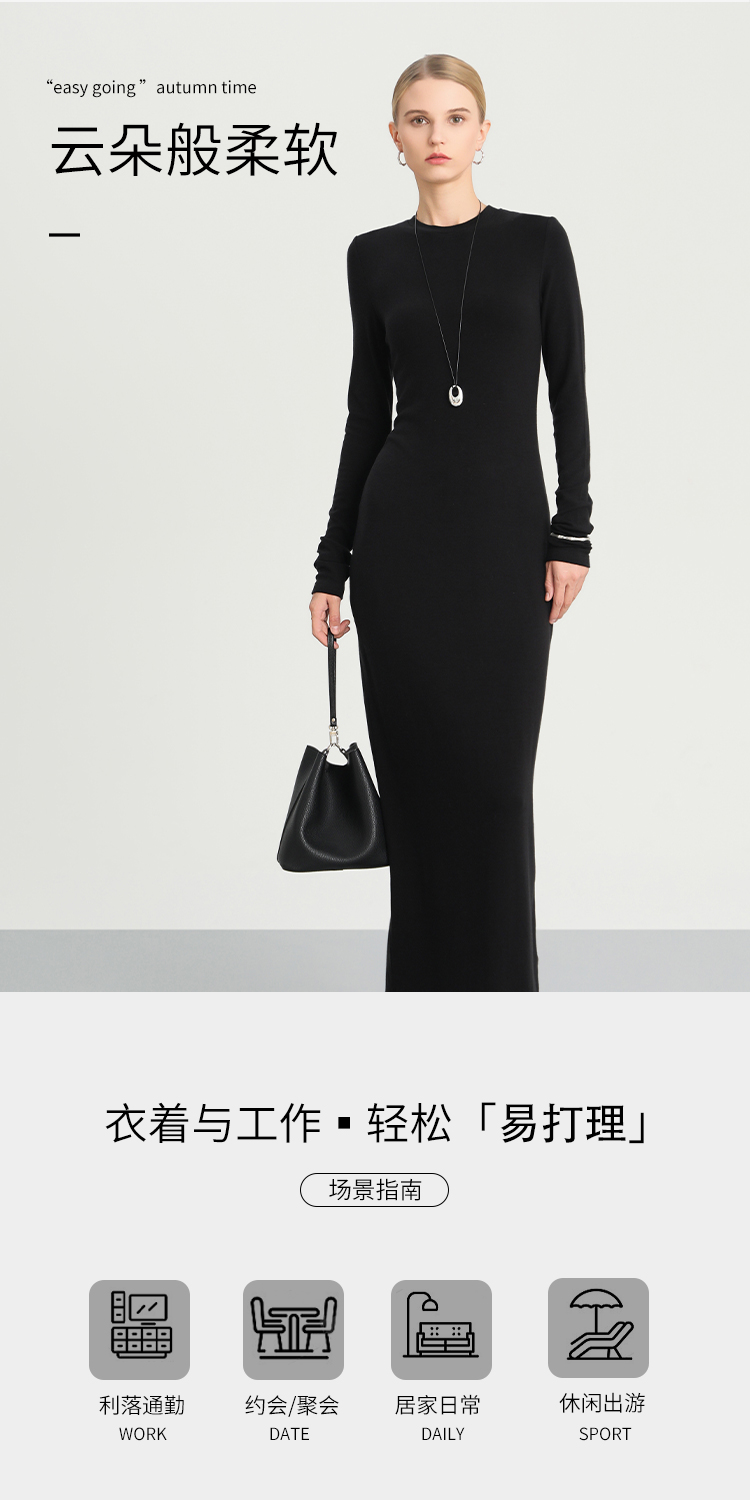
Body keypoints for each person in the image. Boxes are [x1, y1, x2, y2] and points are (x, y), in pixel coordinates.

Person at [309, 53, 593, 992]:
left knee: (497, 788)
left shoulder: (539, 243)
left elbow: (569, 397)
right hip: (399, 553)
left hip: (507, 547)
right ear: (394, 138)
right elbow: (365, 417)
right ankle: (424, 1004)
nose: (438, 135)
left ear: (483, 132)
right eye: (419, 119)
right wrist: (331, 567)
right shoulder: (372, 256)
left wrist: (573, 532)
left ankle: (504, 995)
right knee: (422, 795)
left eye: (456, 117)